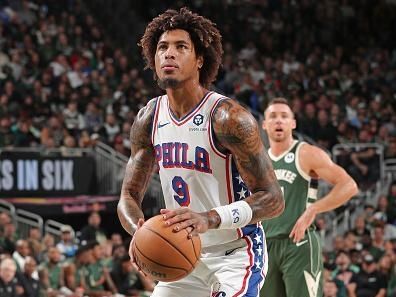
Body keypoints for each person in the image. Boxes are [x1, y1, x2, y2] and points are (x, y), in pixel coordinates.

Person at [117, 7, 284, 297]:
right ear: (153, 59)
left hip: (235, 254)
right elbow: (128, 196)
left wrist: (209, 219)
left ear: (200, 60)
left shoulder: (229, 118)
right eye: (162, 47)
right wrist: (139, 230)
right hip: (182, 255)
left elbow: (273, 200)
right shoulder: (149, 118)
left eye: (181, 47)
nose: (169, 54)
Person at [260, 97, 358, 297]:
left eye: (284, 116)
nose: (279, 121)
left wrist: (313, 209)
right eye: (273, 116)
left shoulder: (306, 153)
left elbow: (349, 185)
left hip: (298, 244)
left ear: (293, 123)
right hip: (265, 246)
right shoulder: (259, 161)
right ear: (264, 124)